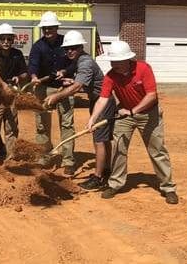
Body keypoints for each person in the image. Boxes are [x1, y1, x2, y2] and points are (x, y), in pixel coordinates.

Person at [87, 41, 179, 204]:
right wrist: (93, 118)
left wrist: (132, 111)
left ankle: (168, 187)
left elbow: (151, 95)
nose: (113, 64)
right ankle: (115, 183)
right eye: (112, 61)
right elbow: (102, 99)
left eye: (117, 61)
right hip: (125, 114)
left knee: (157, 150)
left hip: (149, 114)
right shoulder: (110, 76)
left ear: (127, 60)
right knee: (118, 148)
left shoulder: (143, 69)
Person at [44, 30, 116, 190]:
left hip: (102, 102)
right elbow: (80, 80)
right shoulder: (79, 61)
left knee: (99, 139)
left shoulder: (85, 62)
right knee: (103, 139)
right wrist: (68, 76)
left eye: (73, 47)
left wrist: (56, 97)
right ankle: (106, 170)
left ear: (81, 47)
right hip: (98, 100)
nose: (69, 51)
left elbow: (77, 87)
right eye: (67, 48)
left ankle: (98, 177)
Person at [28, 11, 76, 175]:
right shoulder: (38, 46)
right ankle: (44, 156)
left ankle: (68, 160)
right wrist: (34, 77)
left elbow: (75, 63)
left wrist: (66, 71)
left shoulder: (66, 43)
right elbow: (33, 65)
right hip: (44, 87)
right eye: (45, 28)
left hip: (65, 87)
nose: (47, 30)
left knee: (67, 124)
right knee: (42, 124)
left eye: (51, 27)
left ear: (56, 27)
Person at [0, 23, 28, 161]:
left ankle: (11, 156)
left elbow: (24, 73)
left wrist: (19, 77)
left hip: (12, 94)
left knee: (11, 126)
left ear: (12, 40)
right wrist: (4, 85)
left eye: (9, 39)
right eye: (2, 39)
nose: (6, 42)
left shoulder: (18, 54)